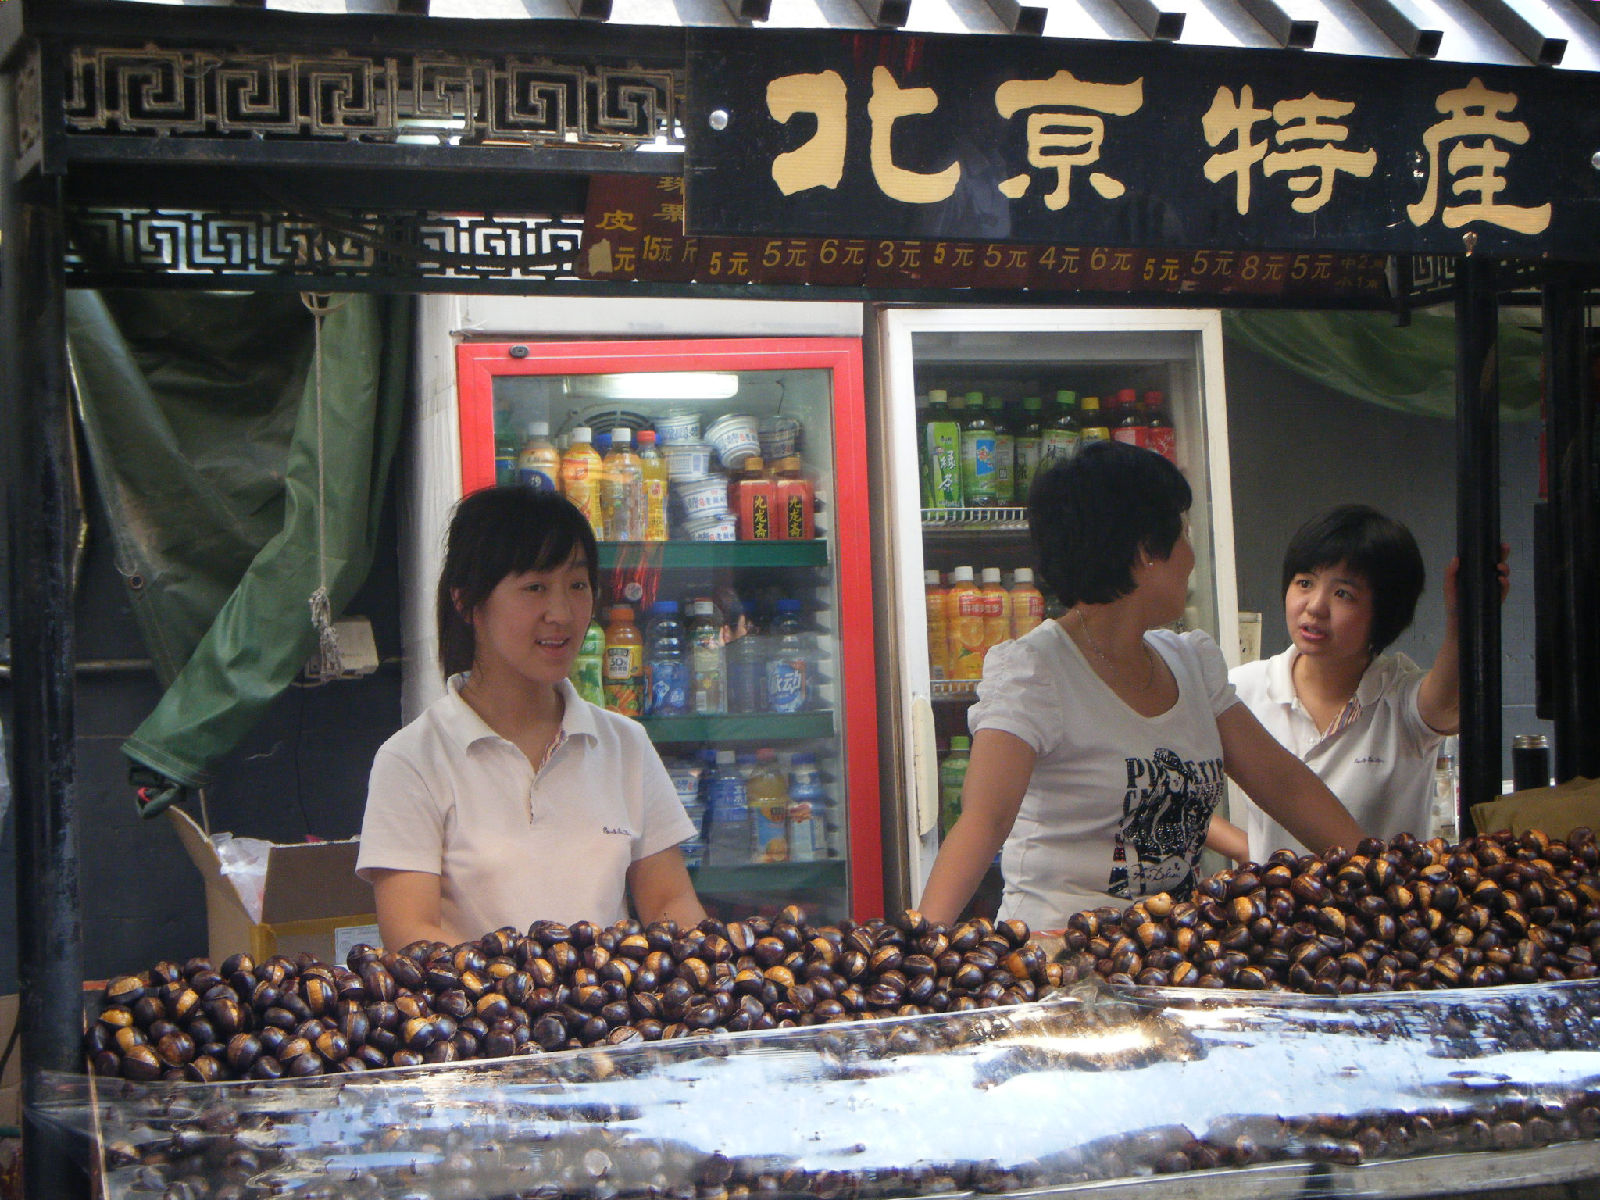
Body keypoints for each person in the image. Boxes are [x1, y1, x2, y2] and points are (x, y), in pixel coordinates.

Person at [917, 441, 1365, 930]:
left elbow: (1286, 785)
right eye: (1184, 535)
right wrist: (917, 952)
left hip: (1170, 956)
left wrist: (1379, 873)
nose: (1192, 558)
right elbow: (983, 825)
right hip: (1061, 958)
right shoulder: (1034, 672)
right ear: (1145, 552)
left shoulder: (1191, 663)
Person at [357, 486, 705, 948]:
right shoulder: (411, 760)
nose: (561, 613)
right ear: (467, 602)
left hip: (610, 1016)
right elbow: (411, 934)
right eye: (535, 588)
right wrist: (526, 996)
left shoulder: (625, 744)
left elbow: (670, 902)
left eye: (577, 586)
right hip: (484, 1016)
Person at [1213, 504, 1510, 865]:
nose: (1315, 607)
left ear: (1384, 612)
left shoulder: (1400, 698)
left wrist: (1462, 620)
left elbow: (1446, 706)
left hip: (1381, 917)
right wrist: (1249, 850)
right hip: (1275, 917)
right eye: (1304, 582)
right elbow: (1170, 785)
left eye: (1343, 594)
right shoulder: (1242, 689)